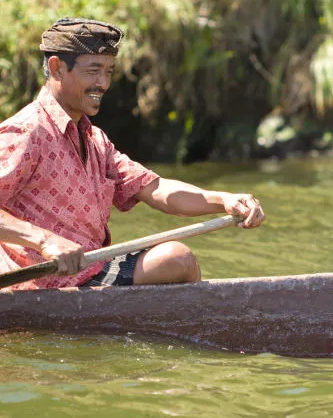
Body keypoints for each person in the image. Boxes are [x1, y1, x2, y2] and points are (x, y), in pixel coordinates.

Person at [0, 17, 265, 291]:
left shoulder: (95, 140)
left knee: (177, 261)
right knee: (177, 259)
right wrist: (44, 240)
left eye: (109, 72)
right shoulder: (26, 132)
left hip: (91, 272)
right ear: (57, 69)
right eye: (93, 71)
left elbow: (157, 189)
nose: (103, 83)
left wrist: (224, 200)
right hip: (39, 287)